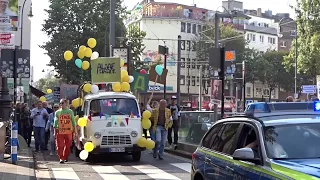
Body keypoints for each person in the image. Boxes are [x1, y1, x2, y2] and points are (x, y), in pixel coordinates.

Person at [53, 99, 77, 163]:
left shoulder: (70, 111)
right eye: (60, 103)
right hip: (60, 131)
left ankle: (65, 156)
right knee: (60, 145)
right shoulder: (57, 112)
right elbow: (55, 123)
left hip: (68, 131)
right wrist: (54, 132)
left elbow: (73, 122)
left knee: (68, 145)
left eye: (62, 103)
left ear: (66, 103)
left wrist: (75, 132)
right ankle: (61, 158)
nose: (61, 104)